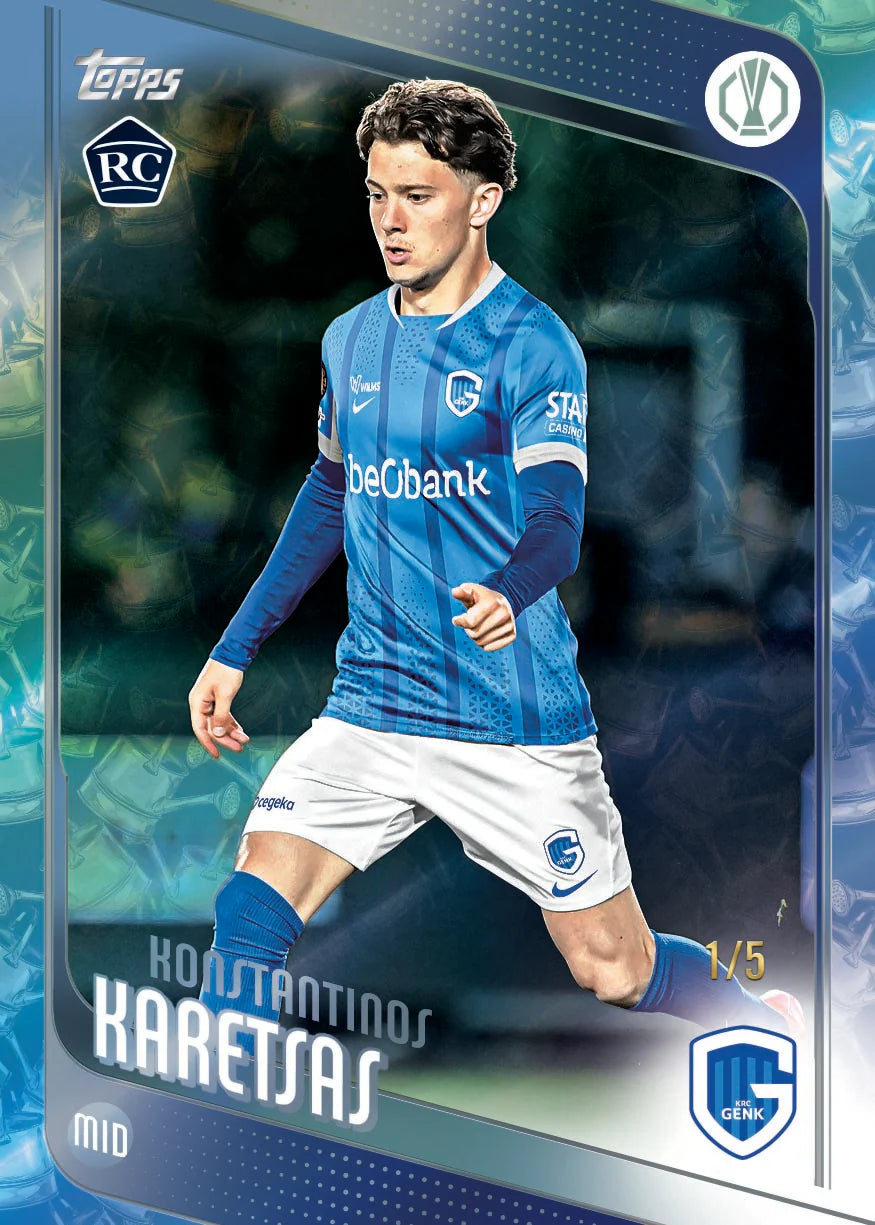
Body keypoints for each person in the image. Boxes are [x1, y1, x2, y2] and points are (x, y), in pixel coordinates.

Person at [188, 78, 803, 1044]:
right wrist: (235, 647)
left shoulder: (533, 344)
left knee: (614, 968)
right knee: (253, 902)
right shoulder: (350, 339)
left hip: (509, 717)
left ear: (482, 201)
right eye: (377, 194)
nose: (390, 221)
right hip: (374, 700)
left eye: (417, 196)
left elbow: (557, 521)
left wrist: (510, 591)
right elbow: (329, 496)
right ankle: (220, 1093)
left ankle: (754, 1018)